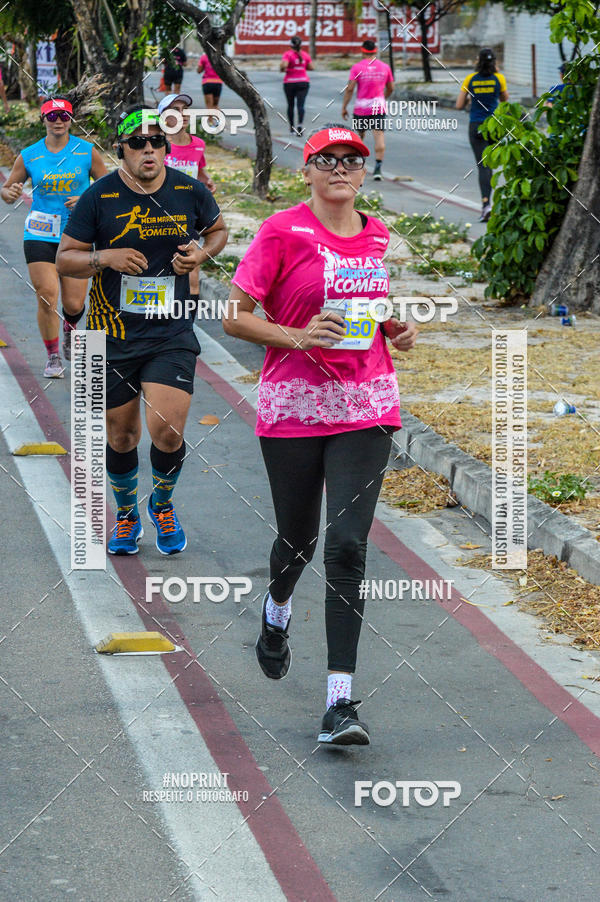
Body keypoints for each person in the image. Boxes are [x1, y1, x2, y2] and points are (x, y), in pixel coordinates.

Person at [224, 124, 418, 745]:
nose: (339, 168)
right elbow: (236, 318)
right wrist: (301, 338)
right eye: (326, 160)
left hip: (367, 403)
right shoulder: (281, 230)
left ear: (363, 174)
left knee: (347, 549)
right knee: (299, 541)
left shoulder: (378, 234)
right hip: (294, 406)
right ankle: (275, 612)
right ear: (306, 171)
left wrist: (396, 328)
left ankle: (340, 705)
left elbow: (371, 304)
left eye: (351, 160)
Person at [56, 106, 228, 556]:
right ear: (121, 151)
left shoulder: (189, 191)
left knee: (167, 431)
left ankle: (163, 505)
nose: (148, 149)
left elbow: (218, 230)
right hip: (110, 333)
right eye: (138, 143)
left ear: (166, 148)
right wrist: (104, 259)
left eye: (156, 141)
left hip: (171, 331)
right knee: (121, 436)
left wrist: (202, 256)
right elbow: (65, 258)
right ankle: (128, 514)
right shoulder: (99, 196)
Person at [0, 96, 106, 376]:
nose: (58, 121)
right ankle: (52, 356)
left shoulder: (86, 151)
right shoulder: (30, 154)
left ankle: (70, 326)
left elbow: (107, 188)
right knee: (47, 296)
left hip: (78, 235)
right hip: (40, 233)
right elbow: (10, 188)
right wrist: (8, 192)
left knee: (74, 303)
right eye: (52, 116)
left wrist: (85, 198)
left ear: (71, 120)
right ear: (43, 119)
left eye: (64, 116)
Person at [159, 92, 216, 313]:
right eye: (176, 110)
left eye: (185, 110)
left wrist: (207, 182)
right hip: (158, 217)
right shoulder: (158, 143)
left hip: (188, 217)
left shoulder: (199, 144)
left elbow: (200, 173)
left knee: (193, 275)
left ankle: (187, 328)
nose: (182, 115)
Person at [456, 48, 508, 222]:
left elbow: (458, 105)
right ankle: (502, 203)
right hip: (494, 126)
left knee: (483, 166)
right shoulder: (499, 79)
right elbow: (505, 100)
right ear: (494, 62)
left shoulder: (470, 79)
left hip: (476, 126)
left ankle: (486, 204)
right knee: (492, 164)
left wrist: (472, 99)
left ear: (477, 61)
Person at [341, 40, 393, 181]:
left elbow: (350, 89)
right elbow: (391, 88)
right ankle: (377, 168)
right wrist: (383, 98)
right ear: (375, 51)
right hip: (378, 107)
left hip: (361, 108)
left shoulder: (357, 68)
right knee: (379, 135)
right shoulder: (385, 67)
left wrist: (344, 106)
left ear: (362, 51)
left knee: (359, 135)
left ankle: (356, 164)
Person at [280, 35, 313, 136]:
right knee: (301, 105)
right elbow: (311, 67)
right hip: (303, 82)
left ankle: (291, 128)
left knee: (291, 105)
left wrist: (283, 68)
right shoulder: (305, 55)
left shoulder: (288, 54)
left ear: (291, 45)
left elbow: (284, 65)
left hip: (290, 82)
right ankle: (300, 125)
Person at [197, 51, 223, 120]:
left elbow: (199, 71)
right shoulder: (219, 57)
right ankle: (220, 121)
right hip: (218, 83)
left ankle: (210, 122)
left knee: (209, 106)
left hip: (207, 83)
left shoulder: (204, 57)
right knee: (215, 105)